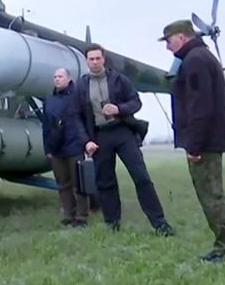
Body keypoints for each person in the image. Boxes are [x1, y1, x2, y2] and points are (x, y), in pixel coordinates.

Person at [159, 19, 225, 263]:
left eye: (169, 41)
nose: (167, 47)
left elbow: (200, 106)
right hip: (210, 138)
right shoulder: (201, 57)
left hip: (205, 142)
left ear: (182, 37)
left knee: (211, 195)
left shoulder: (194, 61)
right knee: (212, 194)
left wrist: (194, 145)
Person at [72, 44, 175, 236]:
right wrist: (86, 141)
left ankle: (159, 223)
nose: (94, 62)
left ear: (104, 59)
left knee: (141, 177)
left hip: (122, 132)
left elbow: (136, 102)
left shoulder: (119, 79)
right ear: (86, 62)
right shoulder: (81, 85)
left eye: (97, 58)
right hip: (99, 137)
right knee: (105, 182)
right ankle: (112, 224)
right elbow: (76, 116)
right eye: (91, 59)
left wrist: (119, 109)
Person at [42, 68, 89, 228]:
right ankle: (68, 215)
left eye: (60, 76)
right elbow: (46, 126)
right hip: (56, 149)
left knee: (79, 184)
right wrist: (48, 148)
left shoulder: (78, 97)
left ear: (69, 79)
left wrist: (86, 142)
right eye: (55, 77)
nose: (57, 79)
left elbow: (85, 120)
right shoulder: (49, 100)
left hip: (75, 146)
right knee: (62, 184)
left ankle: (82, 217)